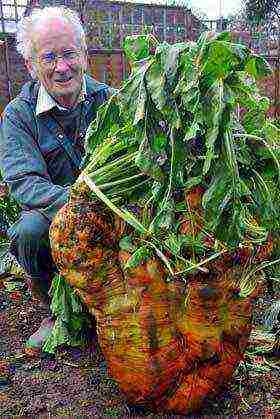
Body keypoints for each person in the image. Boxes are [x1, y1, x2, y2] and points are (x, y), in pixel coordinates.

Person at [0, 6, 112, 354]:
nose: (62, 67)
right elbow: (24, 182)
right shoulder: (19, 116)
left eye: (68, 54)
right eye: (49, 57)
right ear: (32, 66)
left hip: (114, 214)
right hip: (57, 217)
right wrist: (80, 204)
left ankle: (113, 308)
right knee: (29, 231)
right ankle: (54, 309)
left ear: (84, 55)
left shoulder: (109, 102)